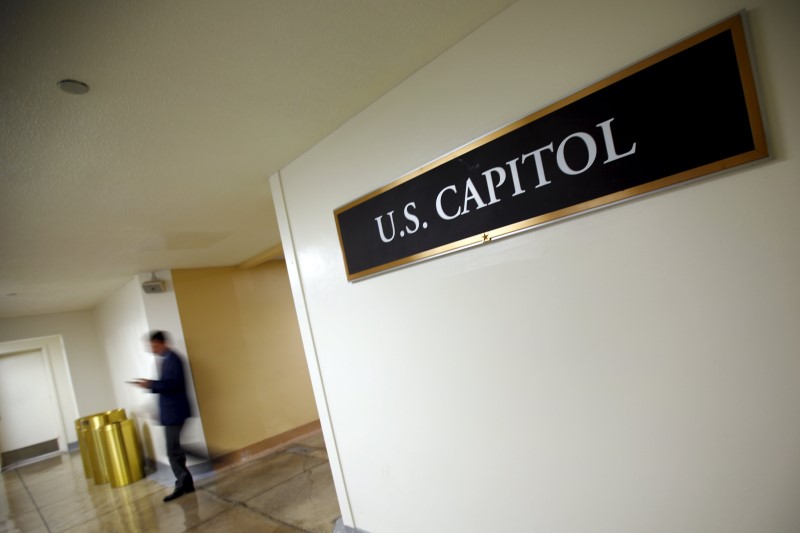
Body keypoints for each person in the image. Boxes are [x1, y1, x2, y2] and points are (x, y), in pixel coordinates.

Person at [132, 330, 194, 502]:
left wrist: (149, 384)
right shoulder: (167, 359)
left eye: (153, 345)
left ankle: (182, 483)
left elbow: (172, 385)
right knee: (175, 449)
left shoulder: (173, 359)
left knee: (173, 451)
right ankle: (186, 483)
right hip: (171, 413)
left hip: (175, 413)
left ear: (162, 343)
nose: (151, 349)